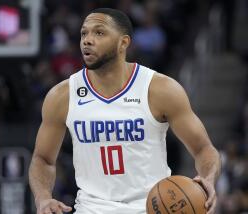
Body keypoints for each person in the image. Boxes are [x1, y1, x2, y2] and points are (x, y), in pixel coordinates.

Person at [29, 8, 221, 214]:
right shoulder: (62, 95)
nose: (87, 40)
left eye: (99, 33)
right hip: (91, 209)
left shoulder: (160, 89)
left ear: (124, 42)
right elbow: (43, 159)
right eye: (84, 33)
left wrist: (208, 179)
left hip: (150, 208)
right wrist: (42, 198)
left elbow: (203, 149)